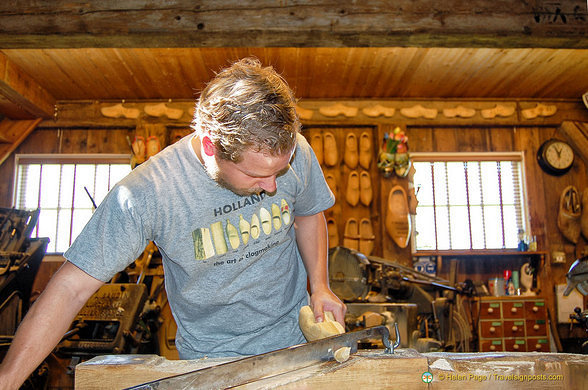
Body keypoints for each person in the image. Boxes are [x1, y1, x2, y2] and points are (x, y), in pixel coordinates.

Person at [0, 57, 345, 389]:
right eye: (257, 174)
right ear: (211, 146)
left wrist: (320, 286)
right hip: (212, 361)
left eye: (279, 171)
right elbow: (69, 288)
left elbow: (307, 213)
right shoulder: (147, 192)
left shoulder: (294, 150)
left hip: (298, 343)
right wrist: (8, 381)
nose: (272, 186)